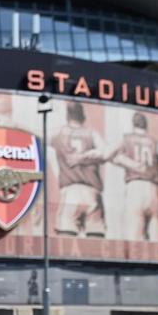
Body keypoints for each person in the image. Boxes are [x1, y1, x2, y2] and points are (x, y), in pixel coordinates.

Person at [98, 112, 158, 241]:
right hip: (153, 188)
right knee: (156, 234)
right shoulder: (153, 141)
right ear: (146, 125)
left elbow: (106, 154)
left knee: (135, 235)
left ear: (133, 124)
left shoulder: (126, 138)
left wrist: (122, 161)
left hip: (135, 186)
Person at [53, 101, 110, 238]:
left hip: (71, 192)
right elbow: (105, 152)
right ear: (83, 116)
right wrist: (86, 156)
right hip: (92, 193)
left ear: (67, 116)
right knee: (96, 239)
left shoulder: (59, 133)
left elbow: (38, 135)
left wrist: (14, 126)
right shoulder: (92, 134)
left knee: (65, 240)